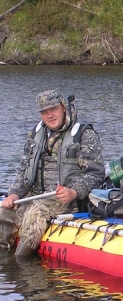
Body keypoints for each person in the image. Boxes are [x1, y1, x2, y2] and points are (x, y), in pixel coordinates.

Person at [0, 89, 105, 256]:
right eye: (44, 112)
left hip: (64, 198)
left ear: (63, 107)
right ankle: (5, 266)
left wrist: (74, 192)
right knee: (4, 213)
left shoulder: (84, 134)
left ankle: (21, 266)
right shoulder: (36, 134)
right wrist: (14, 194)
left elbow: (95, 174)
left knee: (34, 215)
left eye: (53, 110)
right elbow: (23, 170)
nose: (50, 115)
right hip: (35, 194)